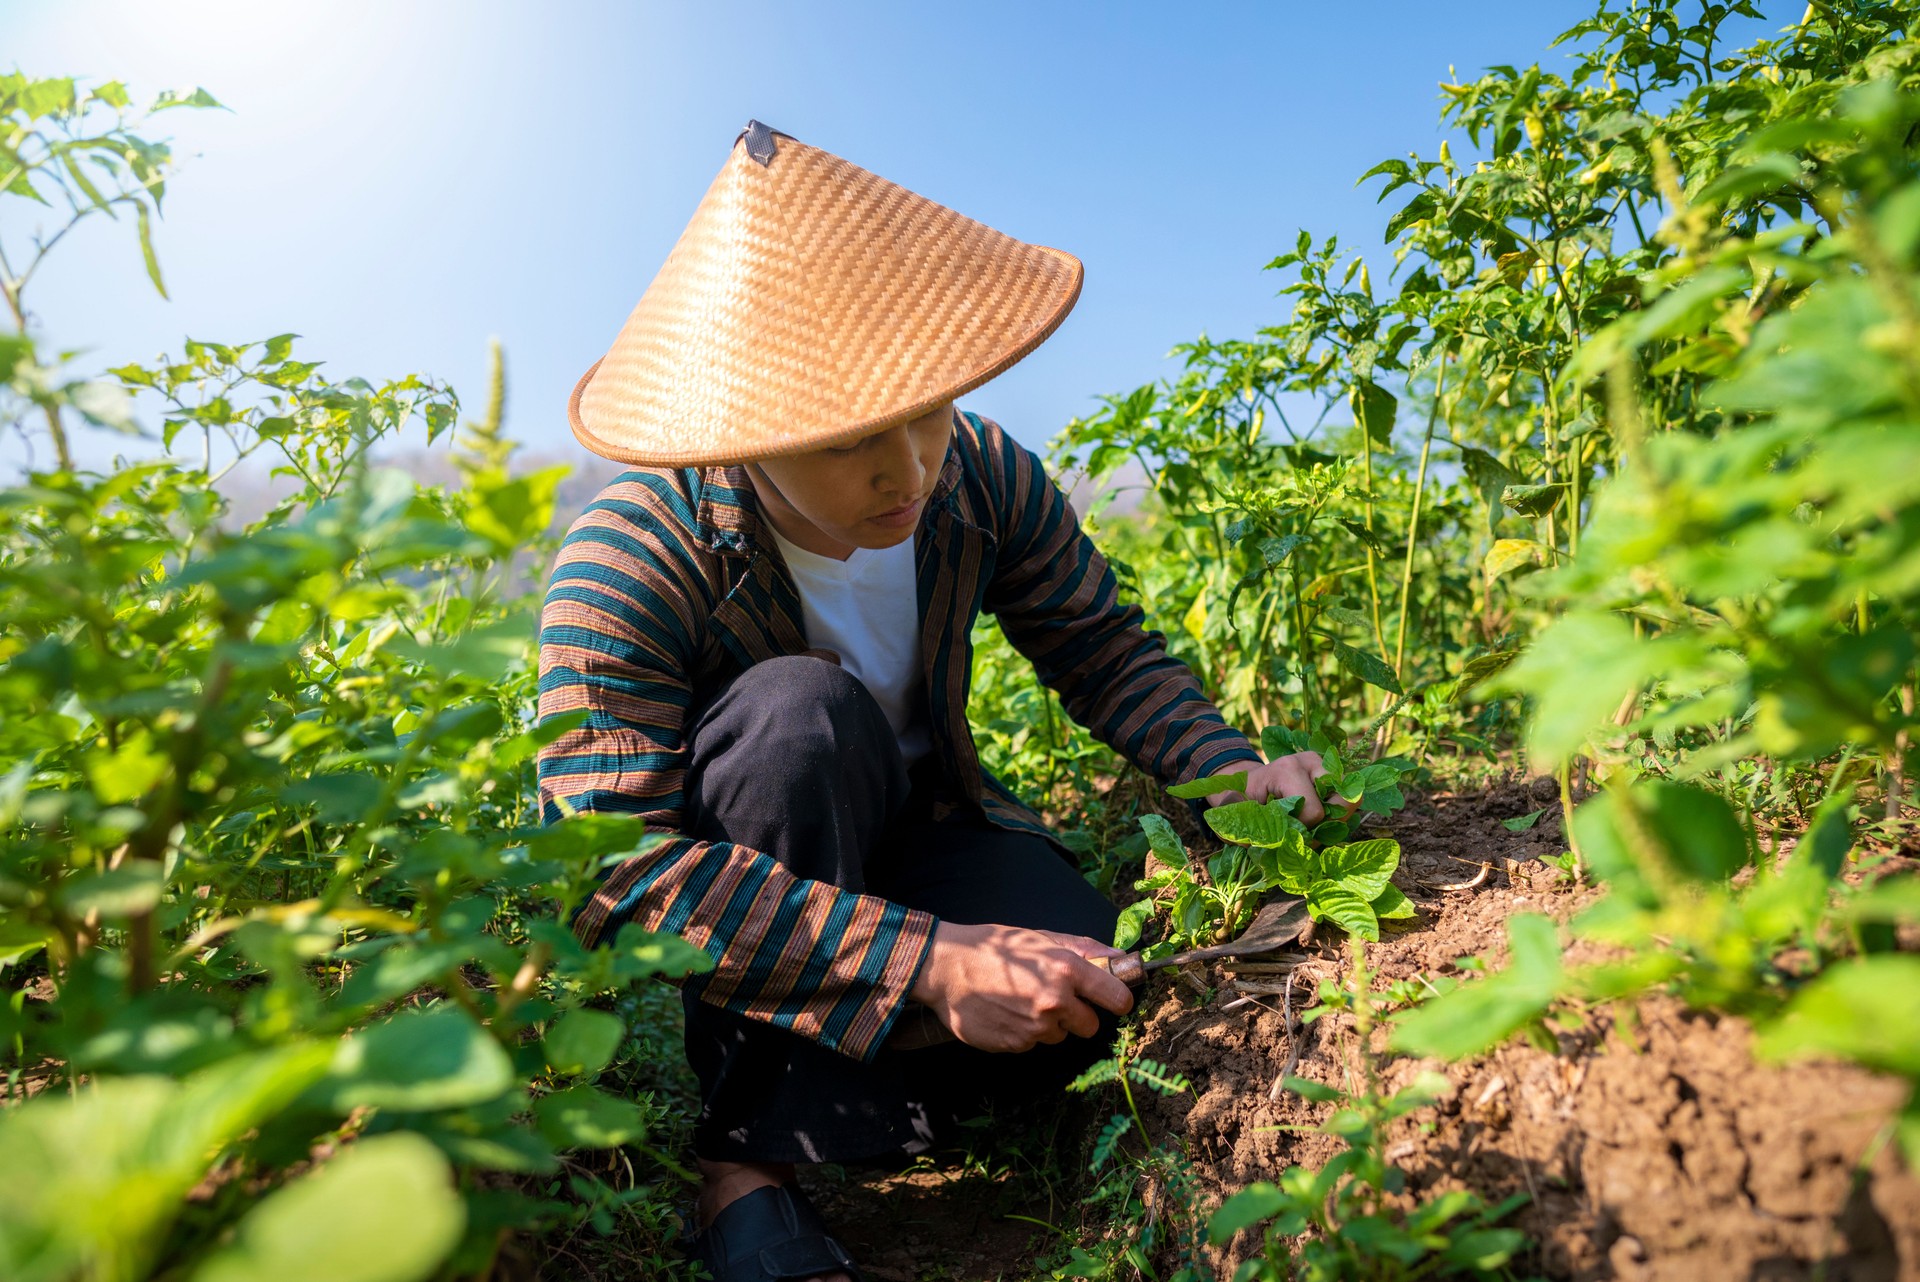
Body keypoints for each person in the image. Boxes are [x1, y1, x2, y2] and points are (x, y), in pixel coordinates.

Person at [536, 120, 1329, 1282]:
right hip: (763, 841)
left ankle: (889, 1077)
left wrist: (1231, 773)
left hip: (920, 828)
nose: (905, 470)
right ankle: (748, 1163)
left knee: (1088, 980)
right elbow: (616, 865)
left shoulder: (983, 473)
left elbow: (1098, 643)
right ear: (746, 435)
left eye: (927, 410)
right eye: (853, 440)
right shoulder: (634, 556)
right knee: (797, 719)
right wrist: (931, 965)